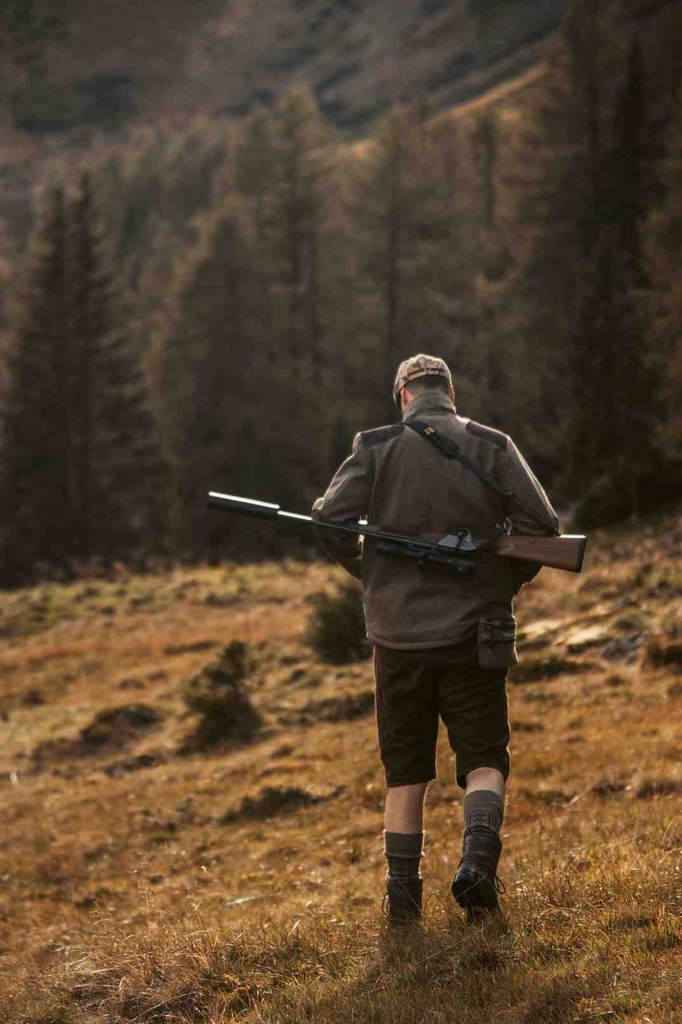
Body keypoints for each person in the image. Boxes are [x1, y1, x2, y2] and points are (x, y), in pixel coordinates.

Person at [312, 354, 560, 925]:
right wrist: (497, 579)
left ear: (403, 397)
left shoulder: (375, 446)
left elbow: (330, 525)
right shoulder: (492, 444)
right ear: (449, 392)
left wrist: (371, 574)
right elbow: (542, 528)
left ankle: (403, 909)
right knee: (484, 761)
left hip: (397, 638)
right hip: (475, 631)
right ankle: (477, 866)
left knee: (405, 773)